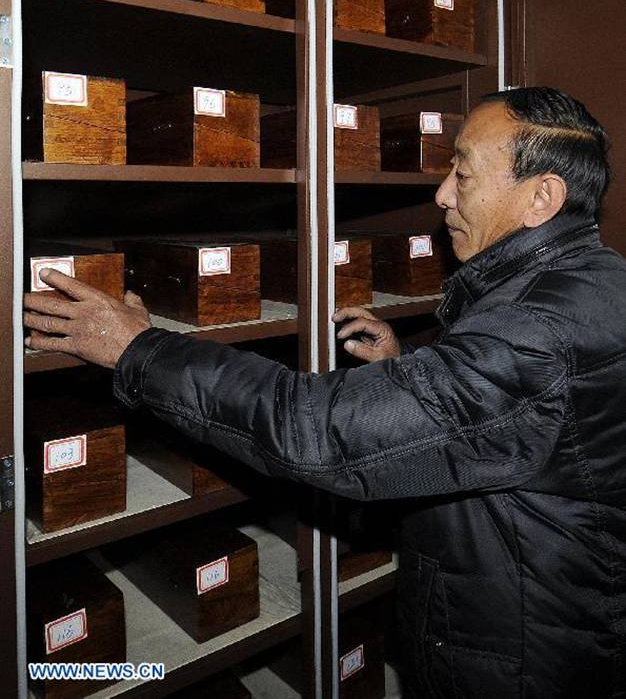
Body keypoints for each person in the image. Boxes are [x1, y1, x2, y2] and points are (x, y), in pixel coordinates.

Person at [24, 87, 626, 699]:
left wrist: (138, 348)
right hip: (556, 622)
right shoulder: (592, 285)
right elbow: (527, 413)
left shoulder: (534, 331)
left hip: (523, 661)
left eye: (463, 172)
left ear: (541, 197)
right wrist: (411, 371)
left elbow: (318, 431)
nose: (443, 193)